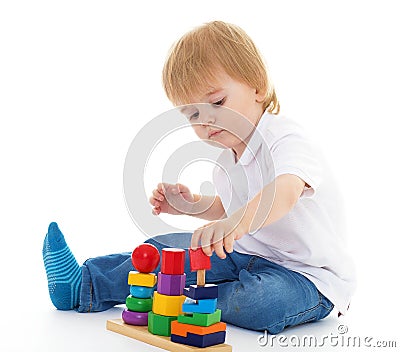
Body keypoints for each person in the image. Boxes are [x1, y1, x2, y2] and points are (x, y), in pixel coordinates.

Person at [42, 21, 356, 334]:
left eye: (217, 102)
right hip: (242, 257)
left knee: (260, 301)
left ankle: (177, 298)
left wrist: (235, 225)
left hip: (308, 277)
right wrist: (191, 206)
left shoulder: (285, 138)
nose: (205, 119)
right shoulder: (225, 160)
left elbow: (285, 191)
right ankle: (85, 285)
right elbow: (228, 207)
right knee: (164, 252)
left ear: (257, 86)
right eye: (193, 114)